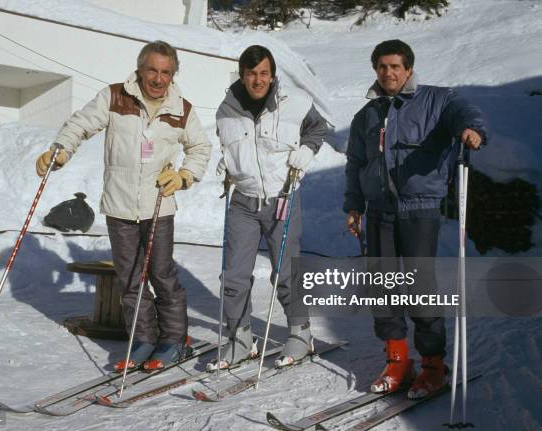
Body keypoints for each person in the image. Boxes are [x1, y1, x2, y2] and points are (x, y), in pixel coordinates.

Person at [36, 40, 211, 371]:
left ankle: (174, 339)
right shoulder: (115, 96)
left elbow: (201, 148)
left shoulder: (181, 109)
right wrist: (60, 149)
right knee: (130, 278)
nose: (158, 79)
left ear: (173, 75)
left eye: (166, 72)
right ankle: (143, 338)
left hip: (159, 205)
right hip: (119, 206)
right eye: (152, 70)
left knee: (161, 274)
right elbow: (81, 123)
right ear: (140, 68)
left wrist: (185, 175)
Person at [343, 39, 487, 399]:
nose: (388, 72)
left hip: (419, 208)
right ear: (375, 70)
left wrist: (472, 130)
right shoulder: (367, 115)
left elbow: (464, 112)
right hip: (378, 211)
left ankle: (433, 365)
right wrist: (354, 205)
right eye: (382, 67)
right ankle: (397, 360)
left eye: (395, 66)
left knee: (420, 286)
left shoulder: (436, 100)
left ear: (408, 68)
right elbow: (356, 164)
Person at [207, 45, 329, 371]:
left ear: (271, 74)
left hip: (282, 197)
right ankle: (240, 337)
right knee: (233, 276)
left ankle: (301, 333)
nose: (258, 79)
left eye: (263, 73)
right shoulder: (226, 109)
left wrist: (307, 149)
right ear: (243, 75)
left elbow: (319, 127)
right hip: (243, 201)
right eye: (251, 73)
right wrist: (229, 163)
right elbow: (234, 144)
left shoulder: (295, 103)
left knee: (286, 272)